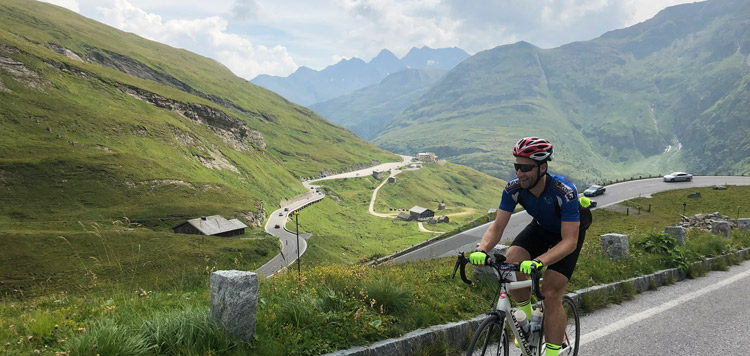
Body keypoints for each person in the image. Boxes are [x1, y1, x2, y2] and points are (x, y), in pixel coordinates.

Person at [469, 136, 586, 356]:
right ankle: (525, 321)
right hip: (541, 228)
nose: (519, 173)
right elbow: (497, 226)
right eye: (517, 166)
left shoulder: (564, 191)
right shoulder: (514, 188)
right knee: (513, 260)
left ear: (543, 167)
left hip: (568, 235)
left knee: (550, 291)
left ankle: (551, 352)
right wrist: (481, 250)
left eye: (525, 167)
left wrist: (539, 261)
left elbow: (569, 241)